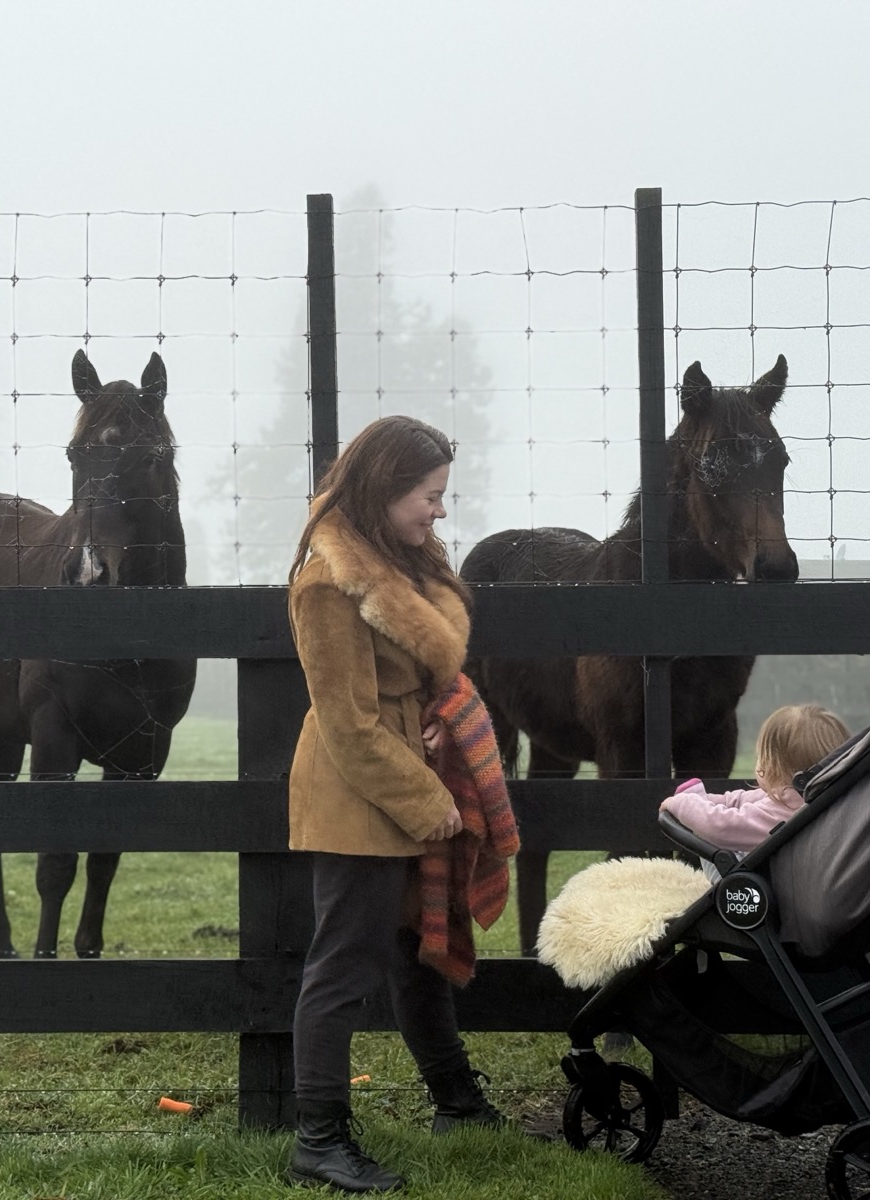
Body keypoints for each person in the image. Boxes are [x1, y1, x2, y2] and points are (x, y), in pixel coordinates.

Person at [285, 415, 509, 1194]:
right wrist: (425, 799)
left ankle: (457, 1101)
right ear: (386, 488)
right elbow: (346, 723)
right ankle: (319, 1139)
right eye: (430, 495)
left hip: (413, 779)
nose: (439, 512)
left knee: (424, 950)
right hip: (361, 794)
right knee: (342, 969)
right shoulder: (329, 583)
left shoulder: (402, 560)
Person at [660, 704, 850, 855]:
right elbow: (746, 800)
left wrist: (683, 804)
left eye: (762, 757)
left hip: (758, 887)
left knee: (711, 838)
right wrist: (707, 800)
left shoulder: (786, 812)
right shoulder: (807, 797)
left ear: (774, 768)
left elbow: (722, 827)